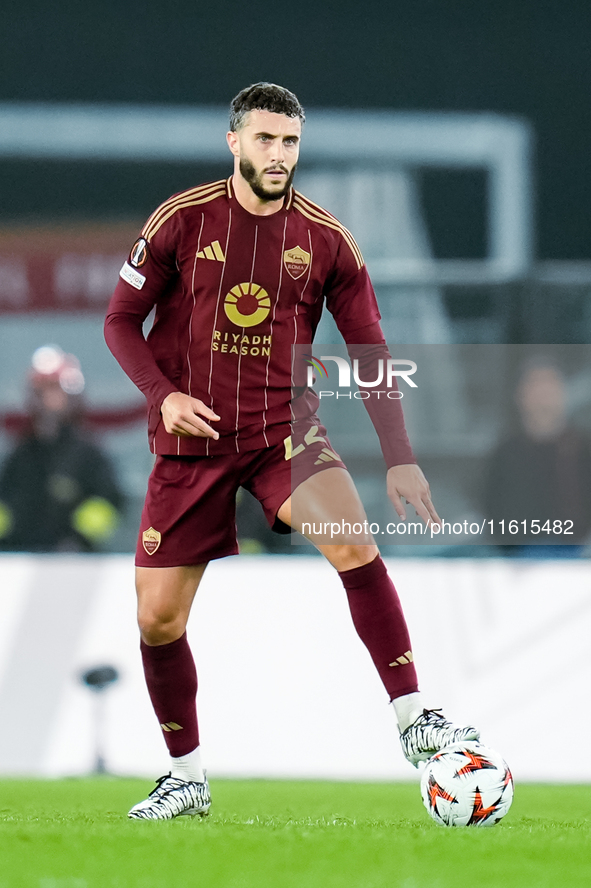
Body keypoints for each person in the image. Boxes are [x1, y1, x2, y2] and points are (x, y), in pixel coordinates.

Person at [105, 82, 479, 821]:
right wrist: (163, 394)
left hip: (283, 433)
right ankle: (186, 776)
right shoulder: (180, 221)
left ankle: (414, 720)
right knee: (157, 622)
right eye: (266, 140)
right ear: (235, 142)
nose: (279, 155)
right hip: (193, 442)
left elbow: (369, 349)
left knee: (353, 543)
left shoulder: (327, 240)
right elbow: (120, 320)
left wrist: (398, 455)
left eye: (290, 142)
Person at [0, 345, 123, 552]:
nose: (47, 398)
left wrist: (79, 540)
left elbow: (108, 503)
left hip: (76, 567)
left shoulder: (89, 455)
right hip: (18, 565)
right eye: (41, 390)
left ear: (71, 395)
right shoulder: (19, 456)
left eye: (55, 389)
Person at [483, 358, 591, 556]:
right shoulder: (505, 454)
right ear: (520, 396)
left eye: (549, 388)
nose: (543, 396)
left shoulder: (583, 449)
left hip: (578, 557)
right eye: (535, 388)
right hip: (518, 560)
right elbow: (493, 511)